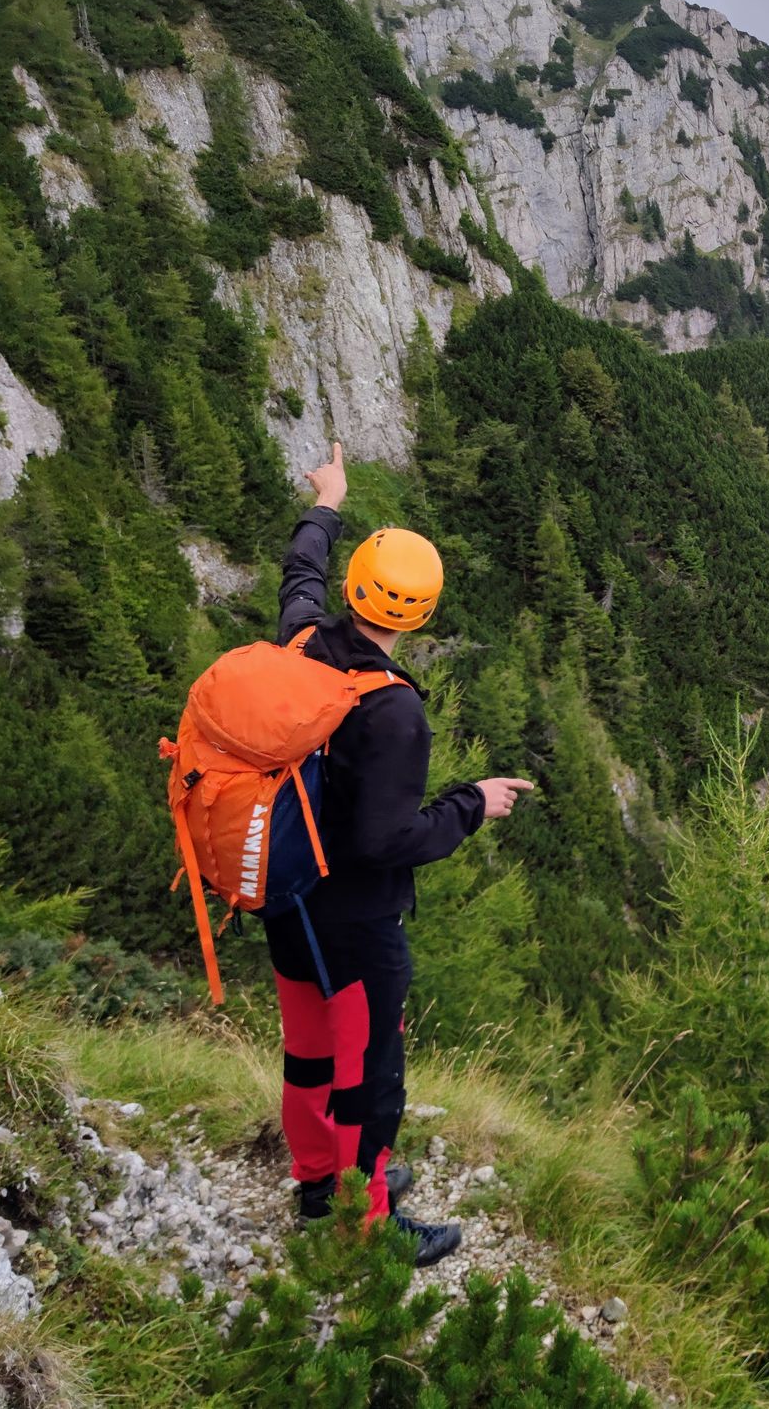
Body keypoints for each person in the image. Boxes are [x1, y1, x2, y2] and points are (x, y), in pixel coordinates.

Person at [271, 441, 533, 1266]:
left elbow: (298, 574)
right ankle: (366, 1223)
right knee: (371, 1076)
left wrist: (328, 501)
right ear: (419, 615)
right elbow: (385, 840)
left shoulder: (303, 643)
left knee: (309, 1053)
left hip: (286, 899)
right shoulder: (392, 715)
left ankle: (320, 1182)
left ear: (355, 592)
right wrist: (470, 805)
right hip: (354, 917)